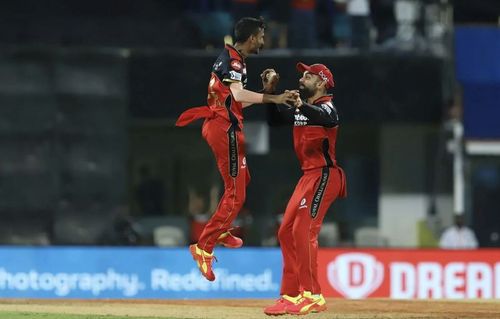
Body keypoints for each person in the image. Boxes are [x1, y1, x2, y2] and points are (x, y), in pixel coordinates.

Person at [176, 16, 296, 282]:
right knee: (235, 195)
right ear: (252, 37)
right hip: (223, 129)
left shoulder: (233, 58)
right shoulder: (233, 61)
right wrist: (274, 97)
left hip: (223, 124)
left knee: (242, 182)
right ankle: (203, 247)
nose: (264, 41)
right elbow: (239, 96)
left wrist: (265, 92)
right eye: (262, 36)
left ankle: (222, 229)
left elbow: (235, 101)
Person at [262, 63, 347, 315]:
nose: (302, 78)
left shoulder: (327, 106)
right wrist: (269, 92)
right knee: (286, 231)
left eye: (308, 76)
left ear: (321, 83)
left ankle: (313, 295)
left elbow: (327, 117)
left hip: (325, 175)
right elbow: (275, 120)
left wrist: (300, 105)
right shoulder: (304, 110)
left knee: (303, 229)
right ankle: (290, 295)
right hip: (308, 177)